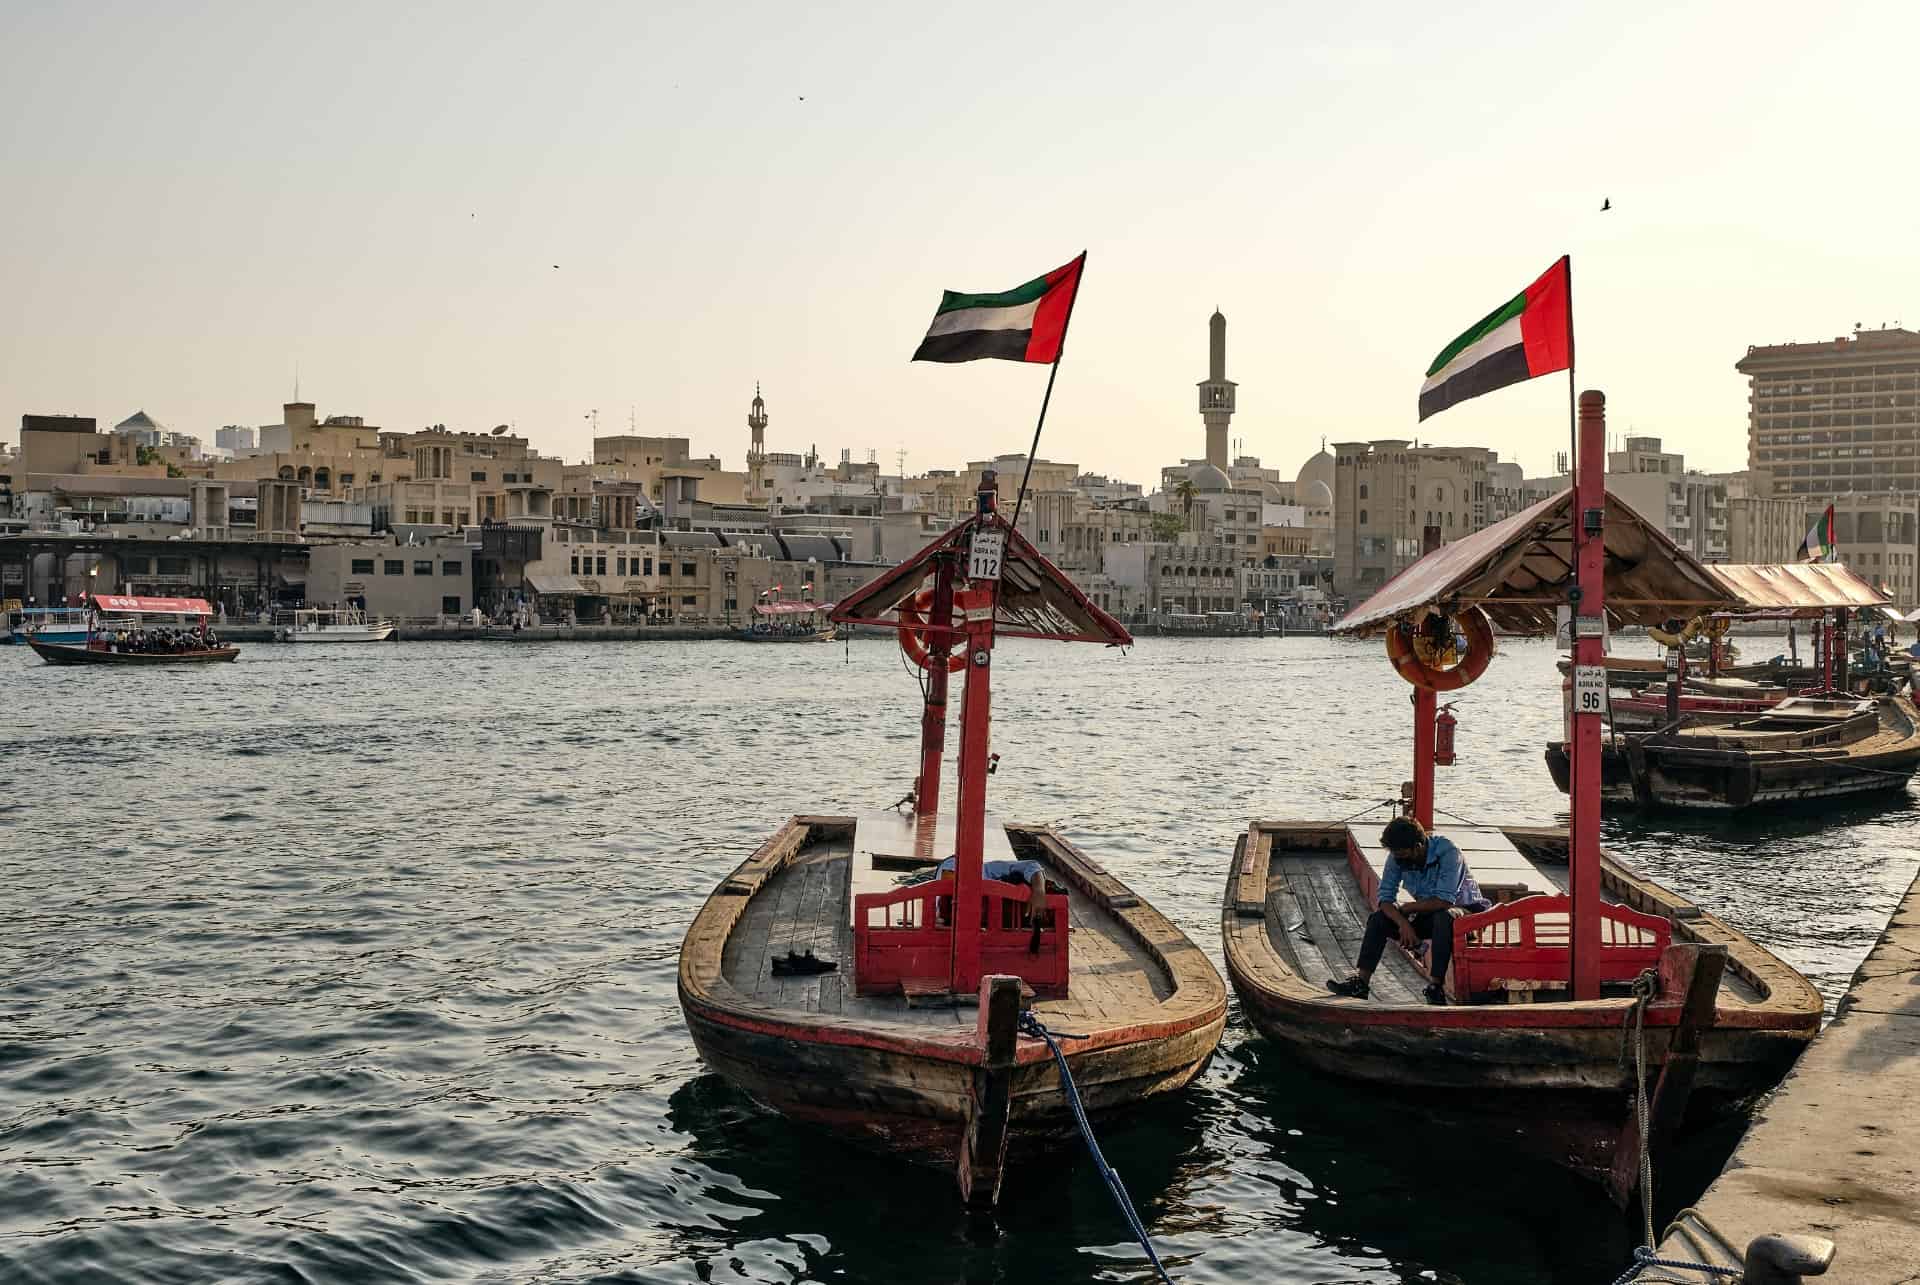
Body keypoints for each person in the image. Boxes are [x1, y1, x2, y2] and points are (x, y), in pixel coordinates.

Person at [1325, 816, 1490, 1006]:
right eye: (1396, 855)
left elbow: (1444, 901)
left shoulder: (1449, 853)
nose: (1399, 861)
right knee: (1378, 920)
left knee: (1444, 916)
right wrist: (1404, 924)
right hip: (1429, 912)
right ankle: (1361, 983)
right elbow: (1385, 899)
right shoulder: (1397, 857)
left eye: (1403, 855)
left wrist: (1407, 908)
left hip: (1467, 917)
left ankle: (1436, 987)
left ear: (1418, 847)